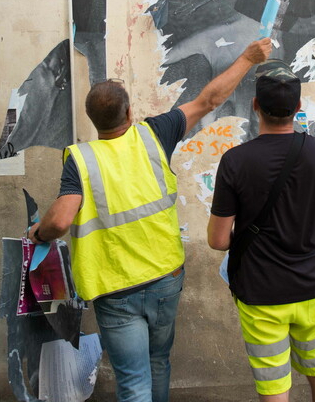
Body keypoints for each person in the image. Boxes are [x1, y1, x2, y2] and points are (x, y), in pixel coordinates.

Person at [27, 38, 272, 402]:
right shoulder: (154, 134)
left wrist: (38, 233)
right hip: (164, 278)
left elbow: (60, 221)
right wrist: (248, 58)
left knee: (133, 382)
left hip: (116, 288)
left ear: (93, 120)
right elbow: (208, 100)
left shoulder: (81, 159)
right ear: (129, 114)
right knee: (158, 363)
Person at [208, 60, 315, 402]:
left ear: (255, 105)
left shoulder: (235, 161)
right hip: (312, 288)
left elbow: (218, 240)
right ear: (298, 106)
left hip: (260, 294)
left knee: (274, 384)